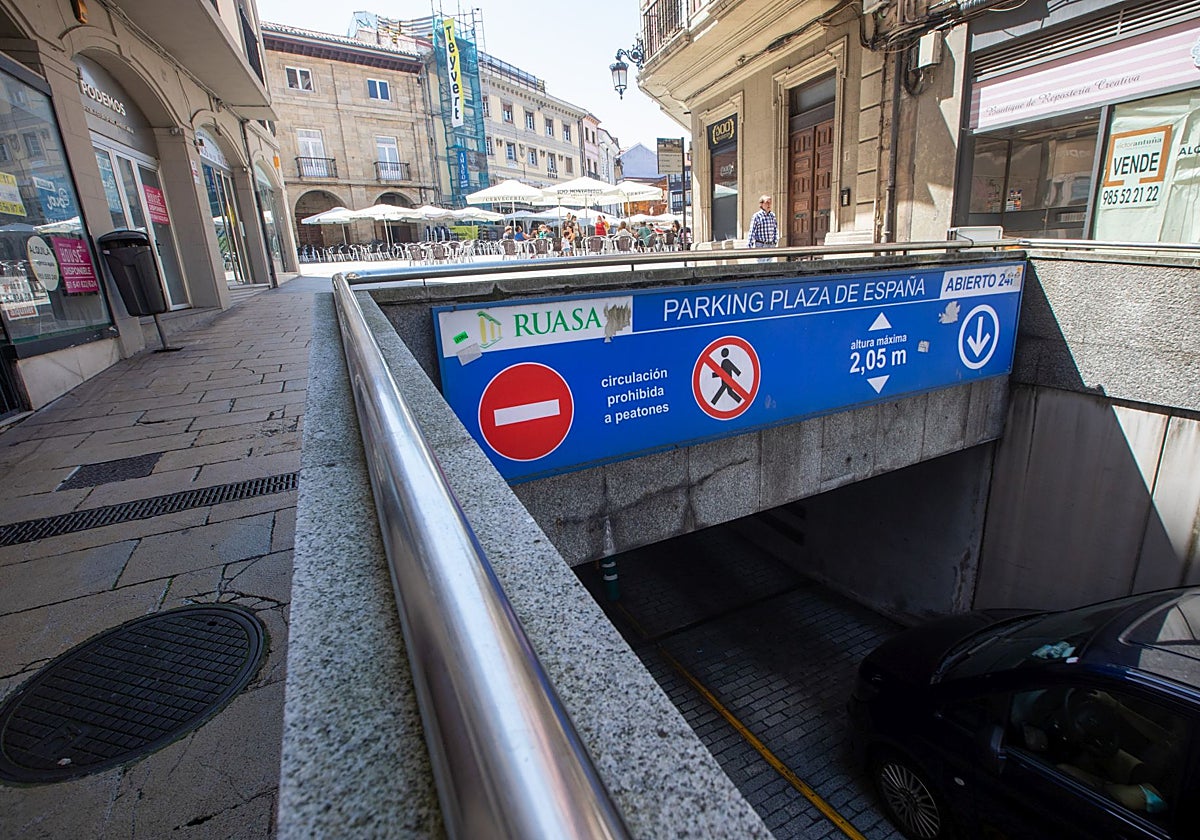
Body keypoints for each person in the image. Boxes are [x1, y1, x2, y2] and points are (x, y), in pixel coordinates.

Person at [747, 194, 778, 261]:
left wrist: (775, 241)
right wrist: (749, 245)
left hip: (771, 245)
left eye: (770, 202)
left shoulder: (772, 216)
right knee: (761, 266)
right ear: (761, 204)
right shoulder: (757, 216)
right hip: (761, 245)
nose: (769, 204)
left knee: (769, 267)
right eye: (767, 202)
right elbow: (752, 231)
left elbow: (775, 229)